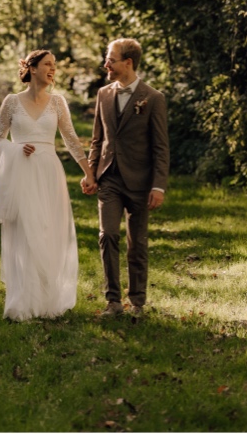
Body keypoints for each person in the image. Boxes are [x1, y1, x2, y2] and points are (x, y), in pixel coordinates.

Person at [0, 49, 90, 320]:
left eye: (54, 65)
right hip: (21, 172)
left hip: (49, 173)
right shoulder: (11, 102)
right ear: (32, 68)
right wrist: (15, 150)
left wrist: (88, 172)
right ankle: (23, 301)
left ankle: (48, 300)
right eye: (47, 64)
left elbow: (71, 139)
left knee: (48, 230)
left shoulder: (58, 102)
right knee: (24, 230)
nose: (52, 69)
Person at [84, 37, 169, 319]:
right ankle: (113, 301)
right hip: (109, 179)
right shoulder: (103, 94)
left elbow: (160, 147)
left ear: (128, 63)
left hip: (140, 182)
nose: (105, 64)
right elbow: (97, 139)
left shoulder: (153, 98)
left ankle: (138, 302)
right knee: (107, 234)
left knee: (138, 243)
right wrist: (91, 172)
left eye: (110, 59)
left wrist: (158, 185)